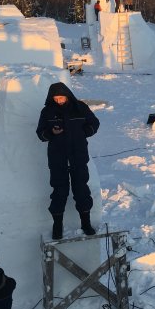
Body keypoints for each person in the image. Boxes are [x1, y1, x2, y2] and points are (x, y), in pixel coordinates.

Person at [36, 82, 100, 239]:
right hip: (58, 159)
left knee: (82, 190)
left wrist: (83, 133)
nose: (59, 100)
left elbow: (94, 123)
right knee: (59, 191)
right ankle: (57, 225)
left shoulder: (80, 107)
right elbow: (40, 133)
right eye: (56, 98)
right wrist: (51, 132)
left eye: (61, 97)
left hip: (78, 157)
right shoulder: (47, 111)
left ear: (67, 95)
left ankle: (86, 223)